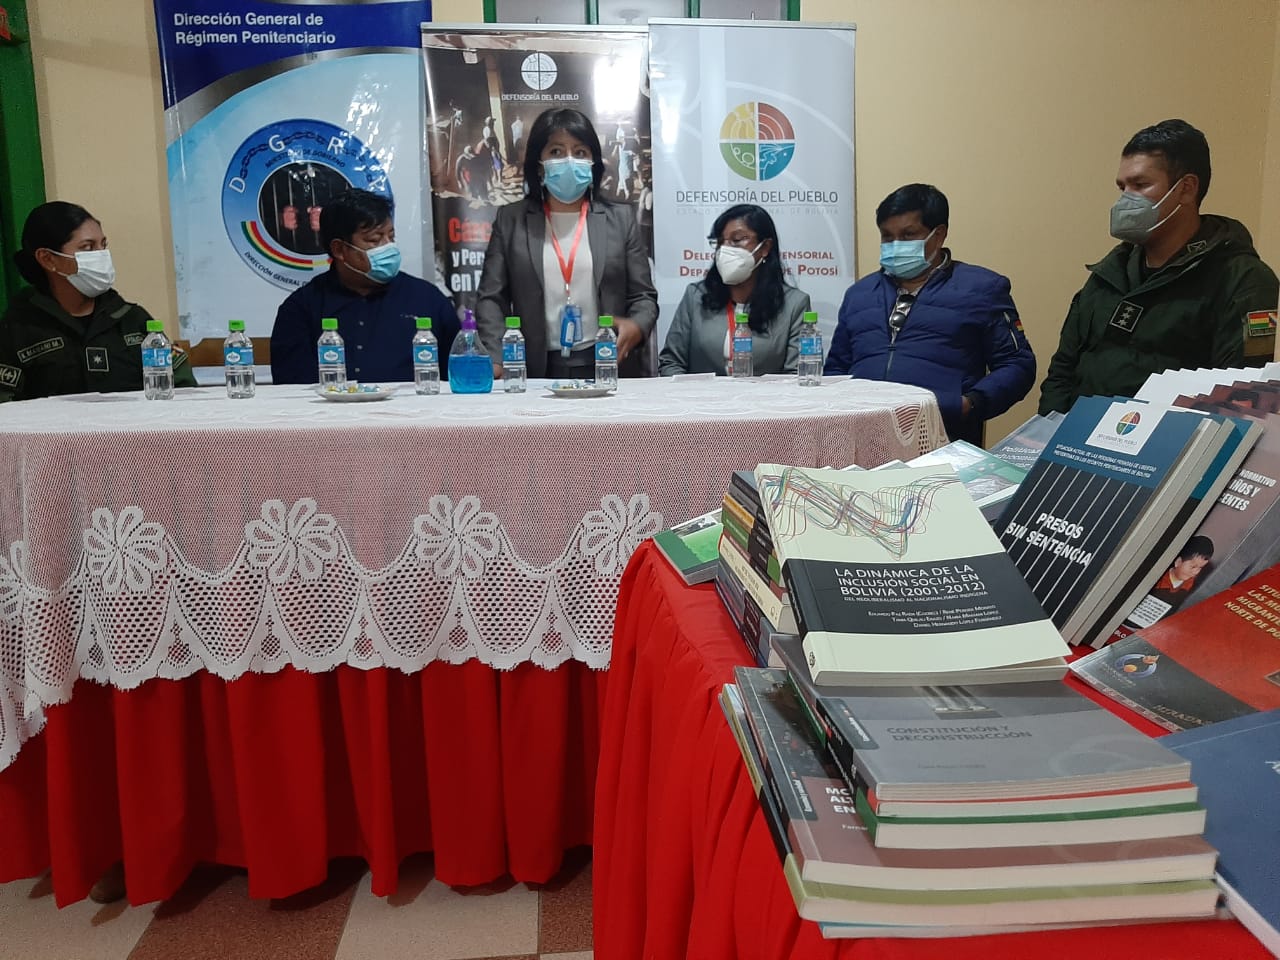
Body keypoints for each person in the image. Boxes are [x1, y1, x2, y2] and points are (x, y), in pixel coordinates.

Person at [1039, 119, 1280, 415]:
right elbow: (1063, 369)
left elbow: (1236, 397)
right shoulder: (1109, 272)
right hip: (1077, 442)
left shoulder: (1243, 280)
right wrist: (1049, 431)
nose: (1125, 199)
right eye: (1122, 187)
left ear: (1186, 189)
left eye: (1140, 185)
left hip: (1165, 451)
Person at [824, 183, 1035, 446]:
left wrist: (970, 403)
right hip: (861, 440)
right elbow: (835, 369)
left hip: (944, 440)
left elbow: (1017, 364)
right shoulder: (860, 294)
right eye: (887, 237)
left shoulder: (982, 288)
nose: (895, 245)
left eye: (908, 235)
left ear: (939, 235)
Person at [475, 107, 658, 379]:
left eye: (580, 152)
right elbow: (491, 298)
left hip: (609, 364)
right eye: (556, 152)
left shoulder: (620, 219)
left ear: (593, 162)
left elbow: (644, 296)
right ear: (539, 163)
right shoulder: (512, 220)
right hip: (535, 368)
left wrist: (637, 325)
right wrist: (497, 356)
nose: (569, 161)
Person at [0, 201, 196, 402]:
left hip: (133, 430)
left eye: (103, 245)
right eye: (87, 247)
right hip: (56, 432)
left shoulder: (132, 320)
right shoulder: (18, 327)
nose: (101, 256)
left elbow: (183, 388)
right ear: (48, 259)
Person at [271, 188, 458, 384]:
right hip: (332, 413)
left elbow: (457, 372)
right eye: (374, 240)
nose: (388, 247)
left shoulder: (427, 299)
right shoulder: (301, 308)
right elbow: (291, 387)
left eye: (391, 237)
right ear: (340, 249)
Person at [658, 204, 810, 377]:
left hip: (764, 402)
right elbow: (671, 363)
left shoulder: (794, 304)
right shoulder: (696, 296)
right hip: (702, 401)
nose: (726, 249)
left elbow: (795, 374)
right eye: (720, 242)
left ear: (765, 247)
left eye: (737, 240)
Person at [1148, 535, 1214, 614]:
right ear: (1178, 562)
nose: (1196, 572)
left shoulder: (1190, 584)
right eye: (1193, 567)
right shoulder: (1159, 580)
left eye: (1200, 568)